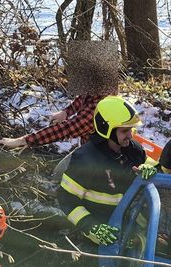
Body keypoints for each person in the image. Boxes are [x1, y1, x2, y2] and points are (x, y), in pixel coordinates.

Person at [56, 95, 150, 246]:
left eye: (131, 129)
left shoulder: (135, 151)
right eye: (125, 131)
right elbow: (66, 198)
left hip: (127, 227)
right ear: (107, 130)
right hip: (95, 233)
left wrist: (150, 169)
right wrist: (90, 227)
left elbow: (149, 172)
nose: (130, 135)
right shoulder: (87, 159)